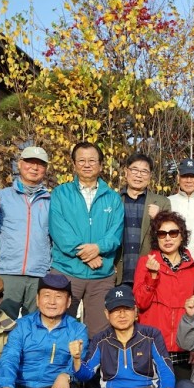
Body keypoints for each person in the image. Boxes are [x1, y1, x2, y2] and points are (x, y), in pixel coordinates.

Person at [72, 285, 175, 388]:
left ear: (135, 311)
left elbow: (165, 367)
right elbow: (85, 374)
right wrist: (76, 359)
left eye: (126, 309)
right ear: (107, 314)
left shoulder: (151, 335)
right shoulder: (100, 339)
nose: (122, 315)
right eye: (116, 310)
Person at [48, 142, 124, 337]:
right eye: (81, 160)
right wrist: (87, 255)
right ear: (74, 164)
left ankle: (91, 359)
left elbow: (115, 233)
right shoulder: (60, 193)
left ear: (101, 165)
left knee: (100, 333)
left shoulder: (113, 198)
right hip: (66, 271)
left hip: (101, 274)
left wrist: (98, 248)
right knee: (59, 327)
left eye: (92, 160)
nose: (87, 164)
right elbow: (59, 230)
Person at [0, 146, 51, 319]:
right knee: (3, 321)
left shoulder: (51, 200)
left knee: (35, 323)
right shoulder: (3, 195)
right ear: (20, 164)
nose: (34, 168)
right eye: (29, 162)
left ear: (45, 169)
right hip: (7, 271)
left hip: (39, 272)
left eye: (40, 164)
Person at [133, 211, 194, 380]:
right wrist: (152, 276)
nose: (168, 238)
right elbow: (140, 302)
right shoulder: (146, 262)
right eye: (162, 234)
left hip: (183, 348)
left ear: (182, 235)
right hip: (151, 345)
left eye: (173, 233)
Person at [115, 152, 171, 286]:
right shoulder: (113, 199)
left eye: (144, 171)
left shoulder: (162, 202)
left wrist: (159, 217)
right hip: (117, 272)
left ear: (150, 176)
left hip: (148, 273)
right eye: (134, 170)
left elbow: (169, 237)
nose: (139, 175)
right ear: (126, 172)